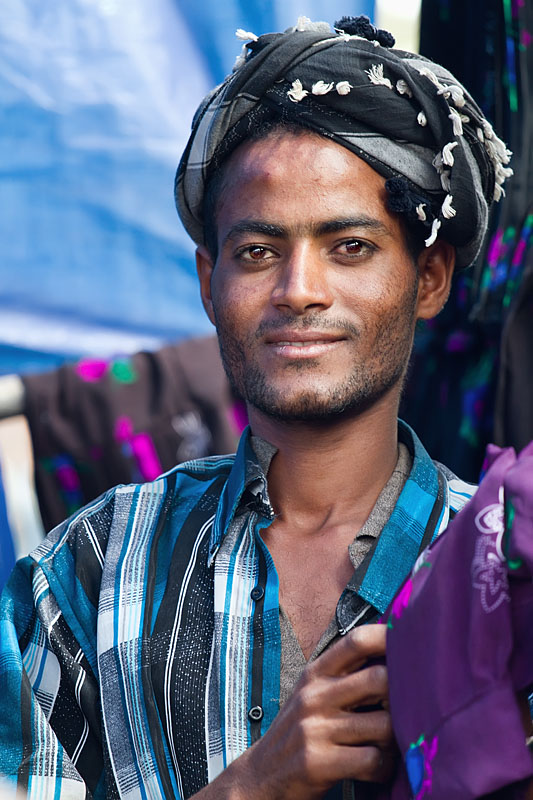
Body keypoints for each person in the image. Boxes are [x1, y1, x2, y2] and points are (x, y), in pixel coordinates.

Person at [0, 14, 513, 800]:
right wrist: (253, 786)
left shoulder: (501, 572)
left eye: (350, 247)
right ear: (209, 282)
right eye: (257, 252)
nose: (298, 290)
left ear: (430, 277)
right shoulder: (88, 570)